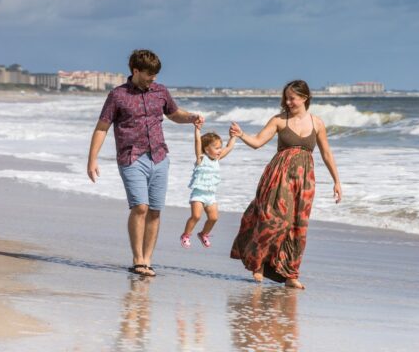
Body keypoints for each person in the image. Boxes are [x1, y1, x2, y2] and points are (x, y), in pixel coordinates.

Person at [87, 49, 204, 277]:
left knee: (155, 211)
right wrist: (92, 159)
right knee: (140, 206)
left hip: (160, 157)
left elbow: (174, 113)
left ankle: (148, 259)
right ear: (135, 71)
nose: (154, 79)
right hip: (131, 157)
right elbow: (102, 128)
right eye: (149, 74)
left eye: (156, 74)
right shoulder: (117, 95)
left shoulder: (160, 91)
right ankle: (137, 259)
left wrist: (190, 117)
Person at [229, 79, 342, 289]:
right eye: (286, 98)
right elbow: (257, 142)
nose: (288, 102)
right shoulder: (279, 120)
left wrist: (336, 181)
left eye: (292, 98)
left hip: (304, 179)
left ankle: (290, 275)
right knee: (273, 219)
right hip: (279, 175)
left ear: (304, 98)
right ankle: (259, 262)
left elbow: (326, 153)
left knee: (298, 226)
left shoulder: (317, 123)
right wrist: (241, 134)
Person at [180, 123, 236, 249]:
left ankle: (203, 234)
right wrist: (197, 129)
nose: (219, 150)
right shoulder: (201, 158)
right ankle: (186, 235)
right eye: (216, 148)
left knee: (214, 218)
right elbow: (197, 141)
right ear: (206, 149)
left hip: (211, 195)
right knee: (196, 216)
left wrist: (233, 136)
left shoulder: (217, 159)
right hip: (198, 195)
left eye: (219, 147)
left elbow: (229, 147)